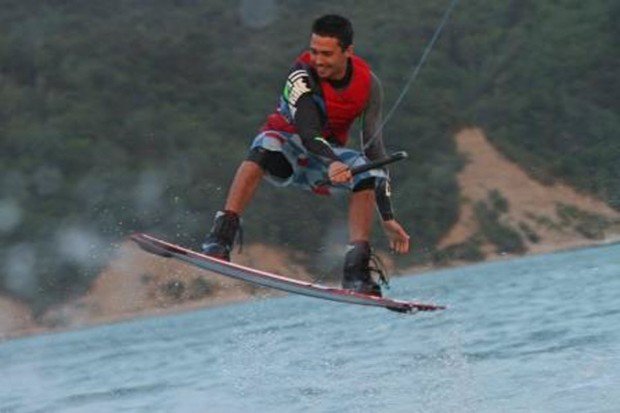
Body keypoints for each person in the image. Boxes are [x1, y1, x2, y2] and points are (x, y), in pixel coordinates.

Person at [202, 14, 410, 296]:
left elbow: (375, 150)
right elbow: (307, 130)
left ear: (348, 51)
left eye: (326, 53)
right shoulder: (301, 76)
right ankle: (221, 237)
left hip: (323, 165)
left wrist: (387, 216)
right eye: (314, 51)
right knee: (267, 142)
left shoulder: (369, 85)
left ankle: (356, 271)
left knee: (366, 168)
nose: (318, 60)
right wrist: (334, 161)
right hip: (287, 154)